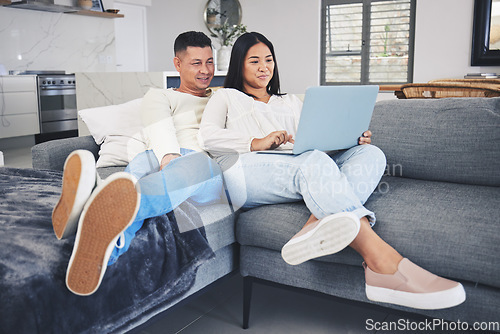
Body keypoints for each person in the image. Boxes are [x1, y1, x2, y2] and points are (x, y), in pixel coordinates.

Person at [198, 32, 466, 310]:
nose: (264, 67)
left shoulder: (289, 102)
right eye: (254, 61)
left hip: (299, 166)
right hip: (247, 171)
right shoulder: (226, 97)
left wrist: (347, 140)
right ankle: (382, 263)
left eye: (269, 60)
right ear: (238, 65)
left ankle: (315, 224)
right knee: (312, 160)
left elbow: (315, 143)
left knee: (371, 153)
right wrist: (256, 142)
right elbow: (207, 137)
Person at [52, 31, 224, 296]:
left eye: (209, 62)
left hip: (204, 168)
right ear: (177, 64)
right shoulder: (160, 96)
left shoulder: (223, 98)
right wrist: (168, 155)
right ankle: (105, 245)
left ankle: (94, 203)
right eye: (196, 63)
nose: (205, 70)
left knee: (187, 166)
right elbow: (159, 126)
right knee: (138, 167)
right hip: (162, 156)